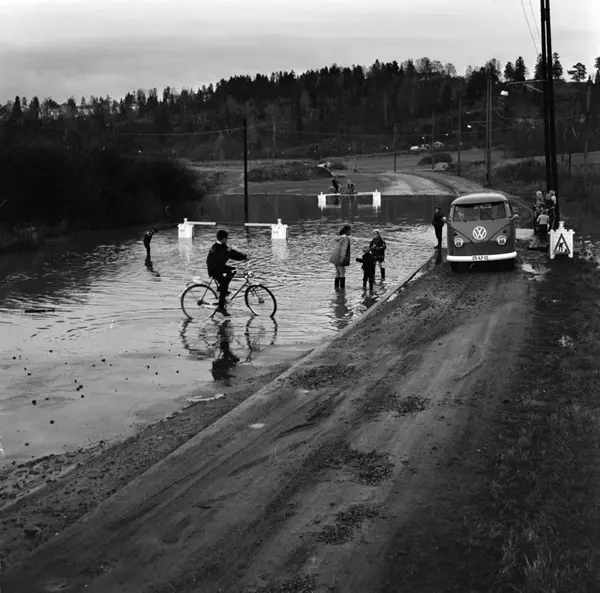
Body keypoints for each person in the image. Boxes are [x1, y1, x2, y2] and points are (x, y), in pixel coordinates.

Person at [206, 229, 248, 316]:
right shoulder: (217, 248)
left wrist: (243, 256)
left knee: (232, 271)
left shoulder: (221, 246)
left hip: (218, 266)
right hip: (213, 268)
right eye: (227, 238)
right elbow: (230, 254)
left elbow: (232, 252)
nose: (227, 240)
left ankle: (222, 290)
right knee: (224, 285)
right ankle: (221, 307)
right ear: (224, 239)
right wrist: (242, 258)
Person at [329, 225, 351, 291]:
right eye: (350, 230)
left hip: (334, 256)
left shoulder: (339, 237)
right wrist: (342, 257)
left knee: (337, 271)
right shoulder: (345, 238)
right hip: (339, 256)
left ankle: (336, 288)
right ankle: (342, 289)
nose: (351, 232)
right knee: (342, 271)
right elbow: (344, 249)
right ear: (347, 231)